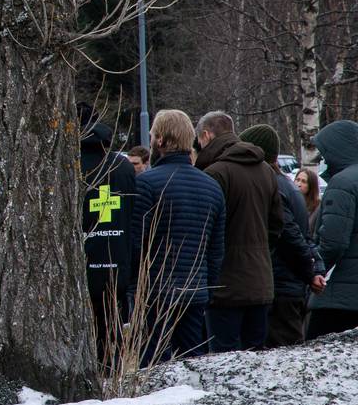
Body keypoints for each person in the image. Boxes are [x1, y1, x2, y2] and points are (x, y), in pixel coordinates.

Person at [195, 111, 310, 353]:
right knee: (257, 363)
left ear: (206, 135)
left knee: (223, 363)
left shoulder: (214, 174)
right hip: (261, 283)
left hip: (224, 287)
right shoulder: (267, 172)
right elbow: (276, 226)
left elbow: (206, 231)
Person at [128, 109, 225, 362]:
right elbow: (215, 250)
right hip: (195, 291)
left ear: (160, 140)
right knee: (194, 367)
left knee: (152, 367)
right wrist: (206, 286)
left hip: (155, 293)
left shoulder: (146, 184)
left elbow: (136, 244)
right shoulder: (211, 187)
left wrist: (132, 291)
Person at [241, 124, 324, 347]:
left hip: (281, 287)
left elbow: (290, 235)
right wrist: (314, 269)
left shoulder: (274, 187)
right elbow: (304, 236)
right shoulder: (288, 187)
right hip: (291, 286)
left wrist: (310, 271)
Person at [79, 119, 139, 363]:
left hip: (83, 263)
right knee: (112, 338)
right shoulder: (122, 166)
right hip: (117, 264)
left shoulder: (70, 164)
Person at [307, 120, 358, 338]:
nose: (323, 159)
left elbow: (333, 241)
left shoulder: (342, 183)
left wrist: (315, 270)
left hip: (340, 297)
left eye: (324, 151)